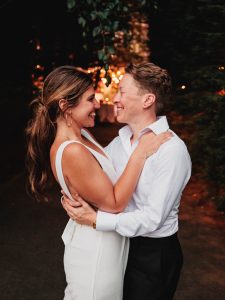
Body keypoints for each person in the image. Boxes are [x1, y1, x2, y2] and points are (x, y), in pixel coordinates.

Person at [25, 65, 172, 300]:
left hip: (108, 242)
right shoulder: (72, 150)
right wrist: (141, 152)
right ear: (65, 106)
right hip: (96, 250)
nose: (97, 104)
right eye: (90, 99)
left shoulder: (82, 136)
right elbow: (114, 203)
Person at [62, 62, 192, 300]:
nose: (115, 99)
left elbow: (153, 219)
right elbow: (103, 185)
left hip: (153, 255)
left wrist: (96, 220)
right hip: (120, 245)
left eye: (122, 91)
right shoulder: (118, 143)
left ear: (147, 100)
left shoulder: (171, 149)